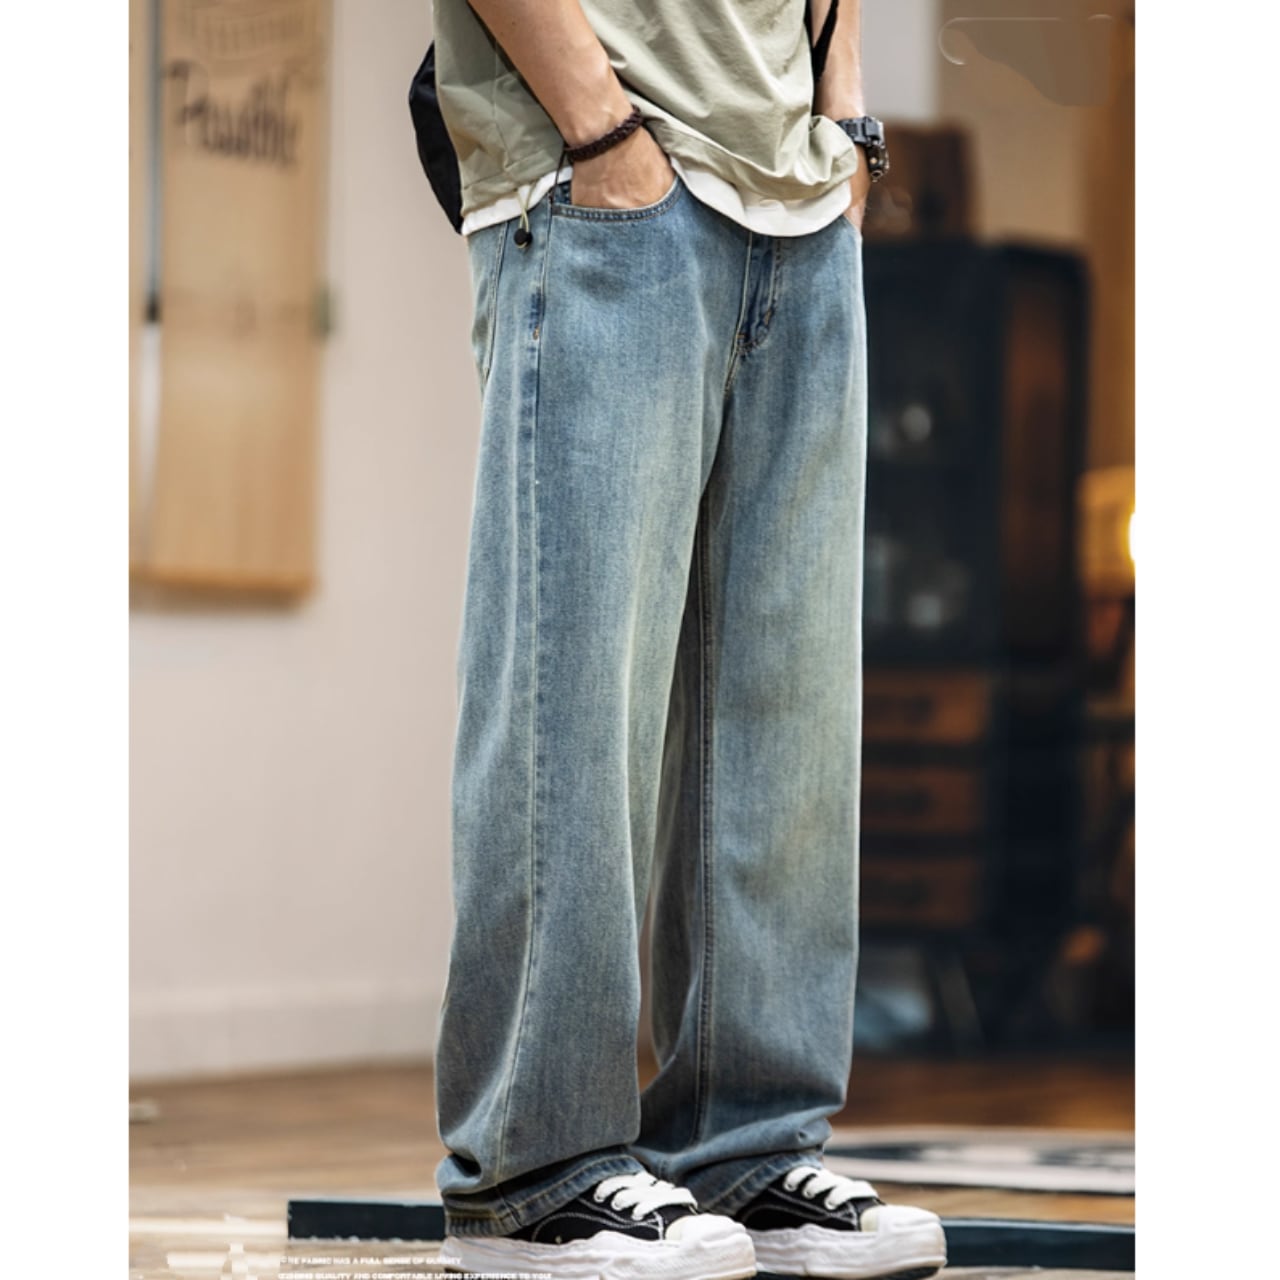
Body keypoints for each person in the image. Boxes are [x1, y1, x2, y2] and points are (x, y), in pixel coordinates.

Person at [427, 0, 948, 1276]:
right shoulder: (602, 151)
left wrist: (841, 119)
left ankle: (747, 1143)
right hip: (601, 173)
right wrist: (600, 130)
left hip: (797, 198)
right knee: (572, 701)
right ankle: (532, 1172)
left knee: (785, 711)